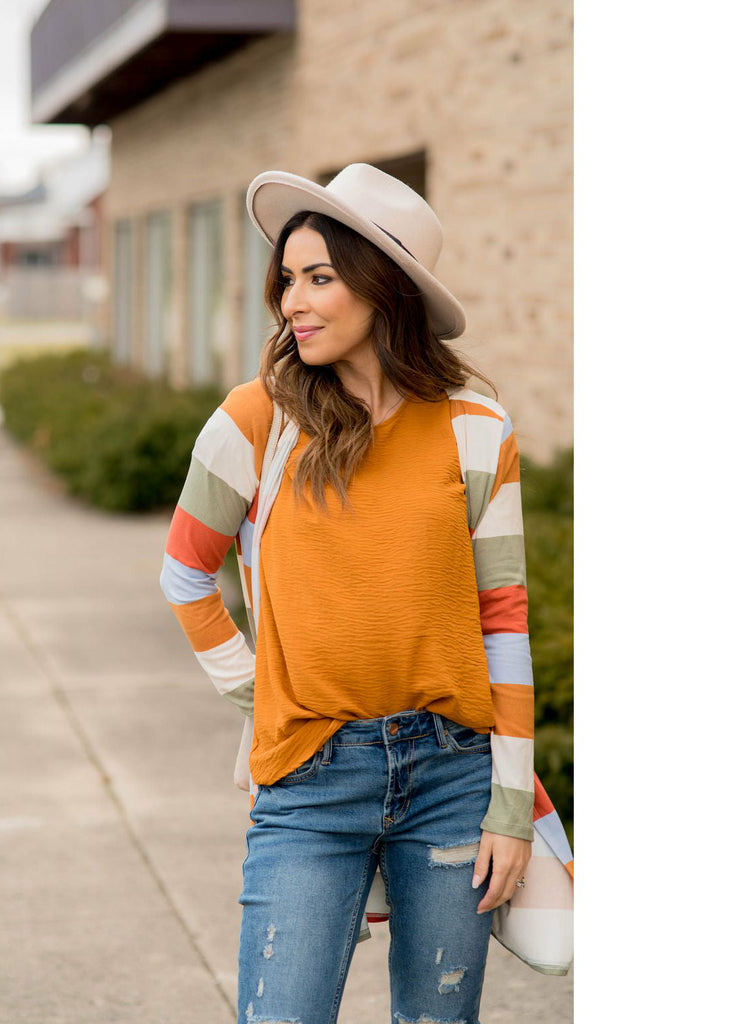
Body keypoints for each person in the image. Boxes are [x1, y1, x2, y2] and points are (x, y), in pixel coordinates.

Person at [160, 163, 534, 1024]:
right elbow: (186, 573)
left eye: (319, 277)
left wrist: (511, 806)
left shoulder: (477, 428)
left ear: (385, 288)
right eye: (287, 279)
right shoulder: (255, 421)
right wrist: (262, 694)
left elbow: (502, 620)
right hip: (307, 783)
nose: (292, 300)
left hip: (452, 778)